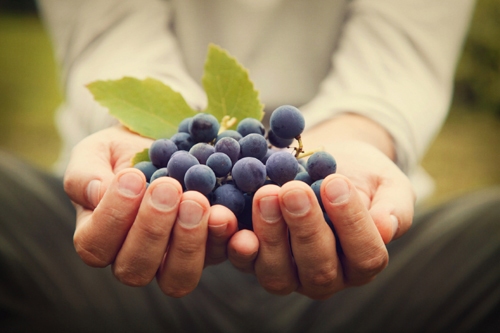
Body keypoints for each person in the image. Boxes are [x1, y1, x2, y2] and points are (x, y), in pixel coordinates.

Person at [1, 0, 499, 331]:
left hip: (368, 259)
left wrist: (356, 136)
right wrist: (136, 133)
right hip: (118, 254)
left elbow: (399, 53)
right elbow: (107, 26)